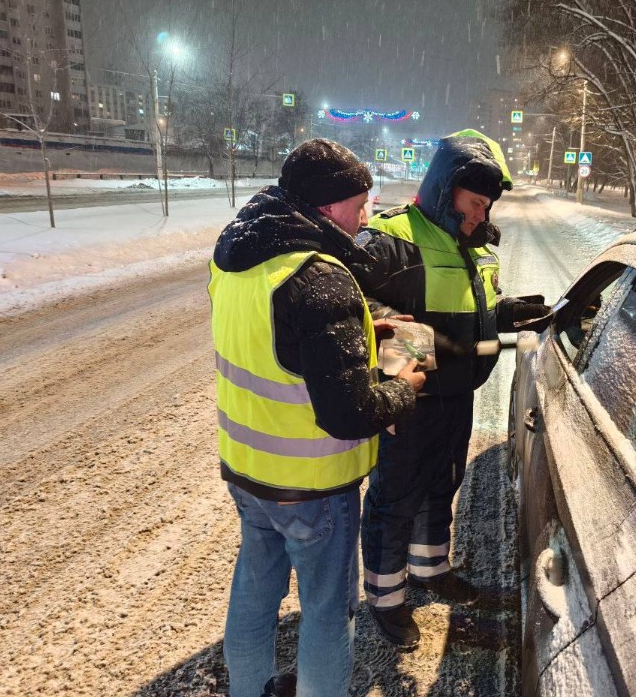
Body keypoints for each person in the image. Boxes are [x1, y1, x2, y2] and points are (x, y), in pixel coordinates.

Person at [208, 139, 425, 697]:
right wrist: (403, 387)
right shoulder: (318, 275)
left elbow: (278, 342)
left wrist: (358, 336)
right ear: (327, 207)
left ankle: (249, 688)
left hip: (247, 471)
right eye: (360, 204)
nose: (367, 216)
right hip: (310, 485)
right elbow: (350, 412)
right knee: (329, 610)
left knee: (255, 589)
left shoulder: (240, 259)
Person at [349, 129, 551, 648]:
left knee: (444, 483)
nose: (481, 214)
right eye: (474, 202)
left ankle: (430, 569)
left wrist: (508, 314)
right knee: (396, 495)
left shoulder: (478, 247)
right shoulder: (392, 237)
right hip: (408, 396)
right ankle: (386, 597)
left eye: (486, 205)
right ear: (446, 189)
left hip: (459, 394)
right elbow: (359, 310)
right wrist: (418, 352)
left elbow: (476, 312)